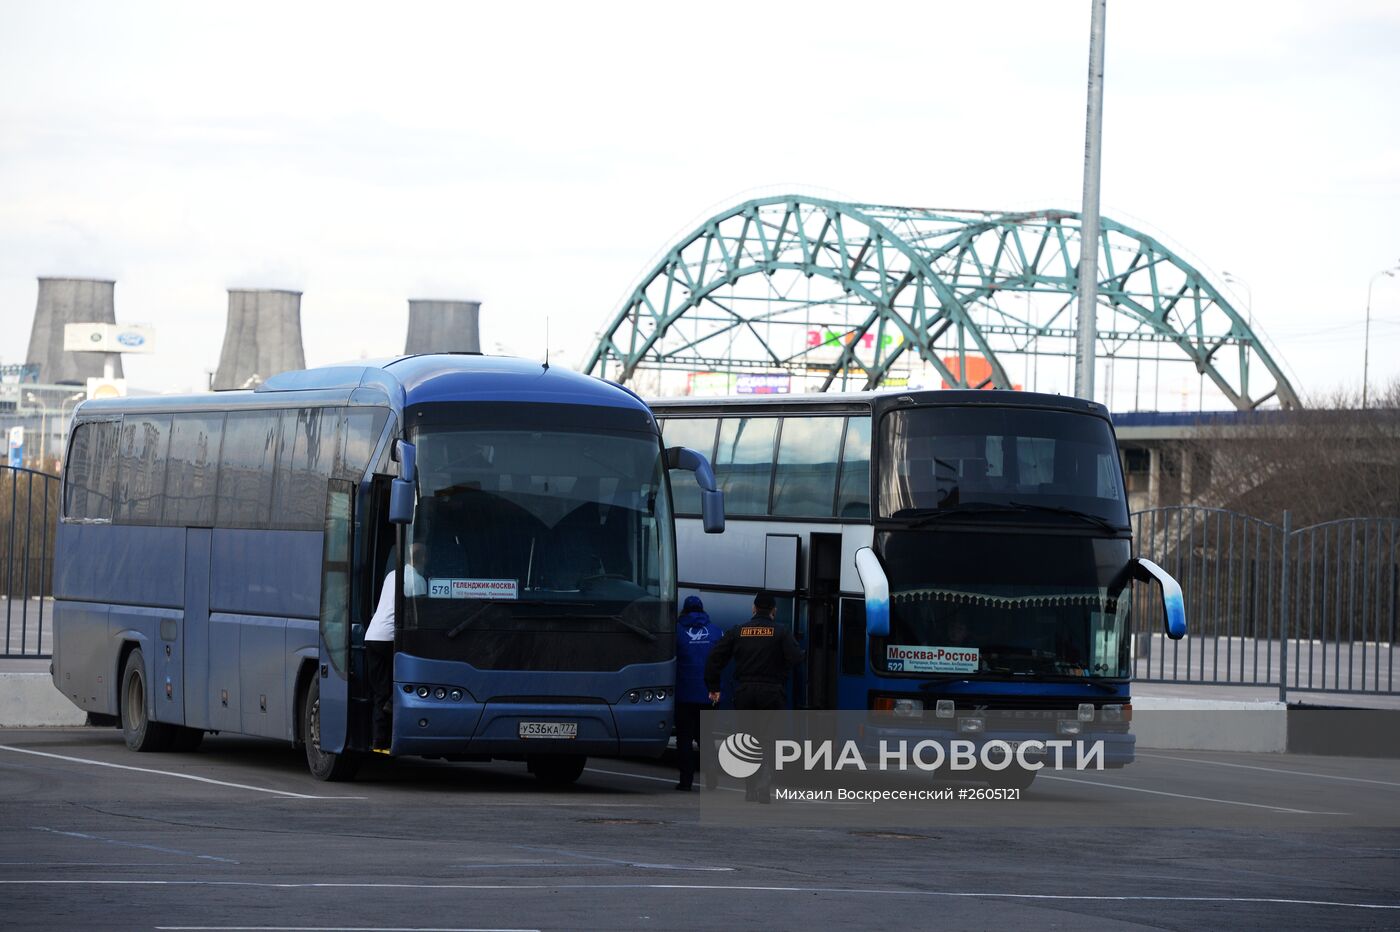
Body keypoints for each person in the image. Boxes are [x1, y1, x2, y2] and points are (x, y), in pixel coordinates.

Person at [704, 591, 803, 802]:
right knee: (767, 739)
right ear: (774, 611)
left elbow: (715, 658)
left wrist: (713, 686)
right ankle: (765, 777)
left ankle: (749, 788)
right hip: (771, 692)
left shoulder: (738, 631)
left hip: (745, 691)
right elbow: (796, 657)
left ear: (753, 609)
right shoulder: (781, 632)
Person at [364, 543, 427, 751]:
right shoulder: (418, 580)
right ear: (420, 559)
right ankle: (391, 718)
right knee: (401, 684)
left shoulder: (393, 574)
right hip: (391, 638)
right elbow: (417, 618)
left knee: (379, 692)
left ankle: (378, 742)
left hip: (372, 636)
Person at [673, 595, 722, 791]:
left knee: (684, 739)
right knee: (707, 738)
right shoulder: (715, 631)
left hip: (684, 694)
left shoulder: (676, 631)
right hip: (709, 694)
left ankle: (686, 781)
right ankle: (712, 780)